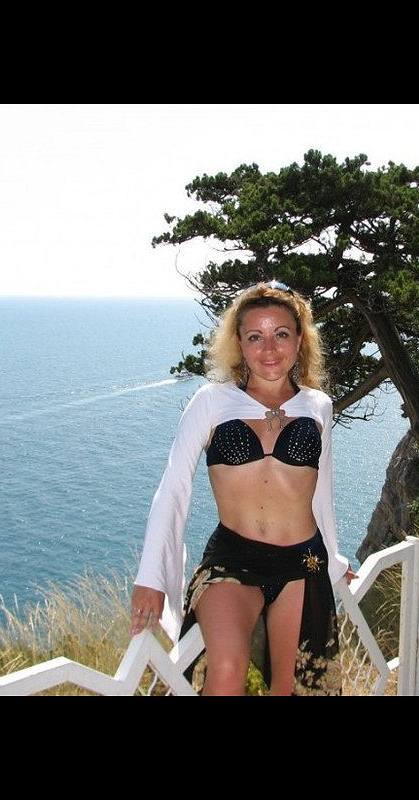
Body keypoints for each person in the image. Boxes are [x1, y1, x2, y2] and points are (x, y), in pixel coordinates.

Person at [131, 281, 352, 695]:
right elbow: (173, 488)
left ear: (299, 340)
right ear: (239, 343)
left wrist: (335, 560)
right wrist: (151, 577)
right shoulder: (211, 402)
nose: (269, 348)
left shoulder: (318, 405)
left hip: (302, 562)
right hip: (233, 560)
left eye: (281, 334)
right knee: (227, 669)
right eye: (255, 336)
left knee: (291, 688)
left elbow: (320, 494)